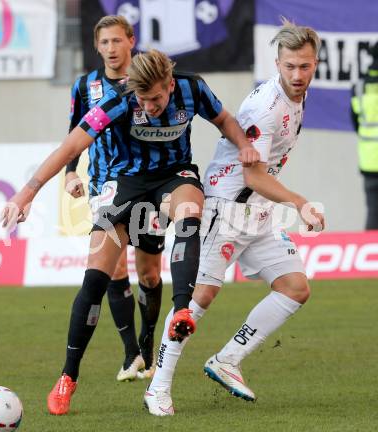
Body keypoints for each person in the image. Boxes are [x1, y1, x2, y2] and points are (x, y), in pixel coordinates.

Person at [0, 49, 259, 416]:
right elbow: (72, 145)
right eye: (143, 99)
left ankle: (182, 310)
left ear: (170, 85)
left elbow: (225, 121)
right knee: (94, 279)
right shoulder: (118, 100)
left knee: (189, 212)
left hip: (174, 175)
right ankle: (68, 376)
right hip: (127, 184)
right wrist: (26, 194)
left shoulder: (192, 88)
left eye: (156, 98)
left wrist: (245, 145)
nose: (150, 106)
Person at [144, 19, 325, 416]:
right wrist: (299, 202)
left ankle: (227, 359)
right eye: (290, 66)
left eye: (306, 66)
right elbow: (253, 173)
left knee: (294, 287)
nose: (298, 75)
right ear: (277, 63)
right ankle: (157, 386)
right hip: (225, 206)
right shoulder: (268, 107)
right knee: (199, 296)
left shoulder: (297, 97)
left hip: (256, 211)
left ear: (315, 64)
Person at [65, 15, 163, 383]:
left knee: (150, 273)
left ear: (131, 41)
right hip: (105, 185)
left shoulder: (146, 81)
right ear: (97, 46)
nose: (111, 49)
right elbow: (75, 132)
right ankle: (131, 354)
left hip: (147, 184)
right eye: (104, 42)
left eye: (117, 41)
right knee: (114, 269)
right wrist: (71, 171)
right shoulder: (85, 85)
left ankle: (147, 344)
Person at [351, 42, 378, 230]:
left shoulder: (359, 87)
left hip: (369, 161)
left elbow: (356, 124)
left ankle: (370, 256)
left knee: (373, 214)